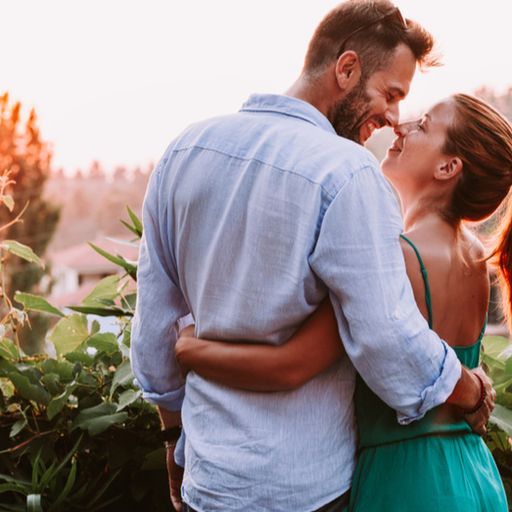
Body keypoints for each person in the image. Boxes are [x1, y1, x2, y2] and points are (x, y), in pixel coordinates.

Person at [131, 1, 495, 510]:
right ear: (346, 69)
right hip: (307, 489)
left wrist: (173, 444)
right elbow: (388, 340)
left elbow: (154, 331)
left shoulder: (184, 151)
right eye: (390, 95)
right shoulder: (347, 174)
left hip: (208, 483)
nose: (393, 119)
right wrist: (472, 393)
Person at [176, 93, 512, 511]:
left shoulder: (394, 258)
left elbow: (290, 364)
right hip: (475, 475)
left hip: (407, 484)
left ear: (448, 167)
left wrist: (190, 348)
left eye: (423, 125)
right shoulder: (474, 257)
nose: (401, 127)